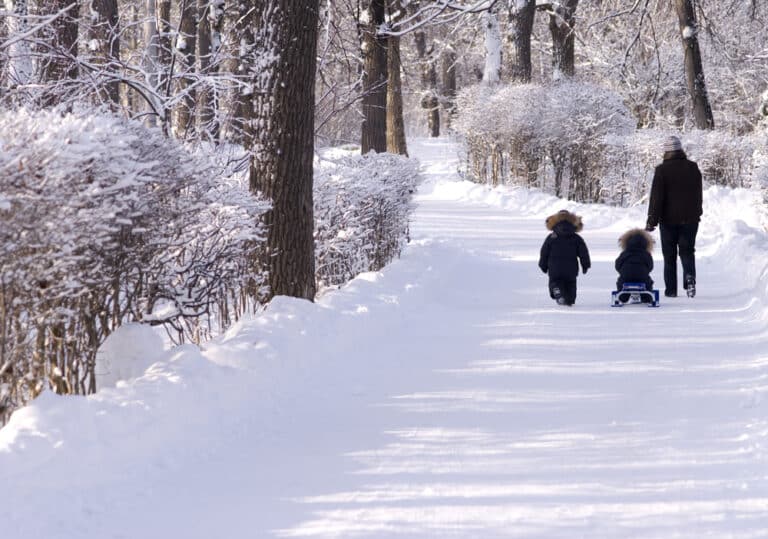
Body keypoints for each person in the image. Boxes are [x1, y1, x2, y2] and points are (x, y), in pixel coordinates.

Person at [645, 135, 703, 298]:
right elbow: (698, 192)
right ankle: (690, 278)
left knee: (669, 256)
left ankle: (671, 290)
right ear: (680, 149)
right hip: (690, 219)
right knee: (687, 251)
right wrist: (697, 212)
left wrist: (651, 221)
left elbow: (657, 198)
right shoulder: (693, 167)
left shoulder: (662, 170)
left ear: (666, 152)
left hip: (668, 220)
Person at [538, 210, 591, 306]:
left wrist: (543, 265)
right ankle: (570, 299)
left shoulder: (551, 237)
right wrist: (585, 265)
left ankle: (556, 290)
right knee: (571, 283)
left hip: (555, 268)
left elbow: (544, 252)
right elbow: (583, 252)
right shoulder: (576, 238)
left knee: (555, 281)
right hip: (571, 268)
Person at [615, 228, 655, 302]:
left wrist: (622, 271)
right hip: (642, 276)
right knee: (648, 282)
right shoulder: (646, 254)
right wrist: (645, 271)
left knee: (621, 282)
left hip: (626, 276)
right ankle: (646, 297)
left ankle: (623, 297)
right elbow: (650, 266)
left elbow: (618, 264)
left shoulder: (625, 253)